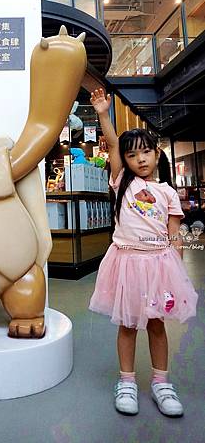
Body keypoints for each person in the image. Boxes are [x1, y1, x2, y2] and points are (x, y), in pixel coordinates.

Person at [88, 88, 198, 417]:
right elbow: (111, 144)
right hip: (126, 263)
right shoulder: (122, 181)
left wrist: (175, 274)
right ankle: (127, 381)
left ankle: (162, 383)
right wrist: (104, 115)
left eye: (146, 152)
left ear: (156, 154)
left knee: (155, 324)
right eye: (133, 154)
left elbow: (175, 236)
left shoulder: (167, 191)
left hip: (158, 265)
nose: (141, 160)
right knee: (127, 325)